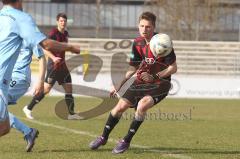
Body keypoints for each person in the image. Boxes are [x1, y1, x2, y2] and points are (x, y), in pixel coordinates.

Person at [89, 12, 177, 154]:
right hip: (140, 81)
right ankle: (103, 137)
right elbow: (133, 67)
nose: (144, 29)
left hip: (160, 84)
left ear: (154, 27)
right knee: (120, 107)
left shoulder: (163, 42)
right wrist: (119, 84)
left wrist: (155, 76)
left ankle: (126, 141)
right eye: (142, 26)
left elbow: (174, 68)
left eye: (148, 27)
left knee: (142, 106)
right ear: (138, 26)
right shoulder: (137, 43)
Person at [0, 0, 80, 137]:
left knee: (5, 126)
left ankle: (31, 130)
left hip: (12, 80)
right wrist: (70, 47)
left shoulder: (2, 16)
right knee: (4, 126)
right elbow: (46, 45)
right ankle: (29, 120)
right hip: (6, 80)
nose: (63, 23)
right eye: (61, 20)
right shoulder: (22, 19)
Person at [23, 13, 80, 120]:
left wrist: (71, 50)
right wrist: (54, 58)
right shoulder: (53, 33)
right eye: (61, 21)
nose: (63, 23)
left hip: (63, 66)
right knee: (46, 89)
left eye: (64, 21)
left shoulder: (66, 34)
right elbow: (44, 48)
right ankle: (28, 108)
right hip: (53, 66)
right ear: (57, 22)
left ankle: (71, 114)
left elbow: (63, 48)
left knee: (69, 89)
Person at [7, 41, 61, 152]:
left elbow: (42, 57)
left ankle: (28, 131)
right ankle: (28, 132)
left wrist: (40, 82)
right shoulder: (7, 35)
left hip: (19, 77)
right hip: (7, 77)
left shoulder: (28, 35)